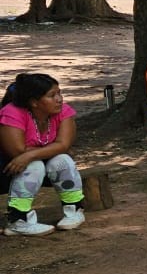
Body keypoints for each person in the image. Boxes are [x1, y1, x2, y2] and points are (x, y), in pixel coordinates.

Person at [0, 74, 85, 236]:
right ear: (34, 102)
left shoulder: (63, 111)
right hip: (7, 170)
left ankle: (74, 210)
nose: (59, 99)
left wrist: (30, 154)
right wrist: (52, 149)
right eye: (52, 95)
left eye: (59, 93)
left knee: (62, 160)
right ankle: (19, 221)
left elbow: (64, 145)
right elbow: (16, 152)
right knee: (34, 165)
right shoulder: (12, 113)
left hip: (41, 165)